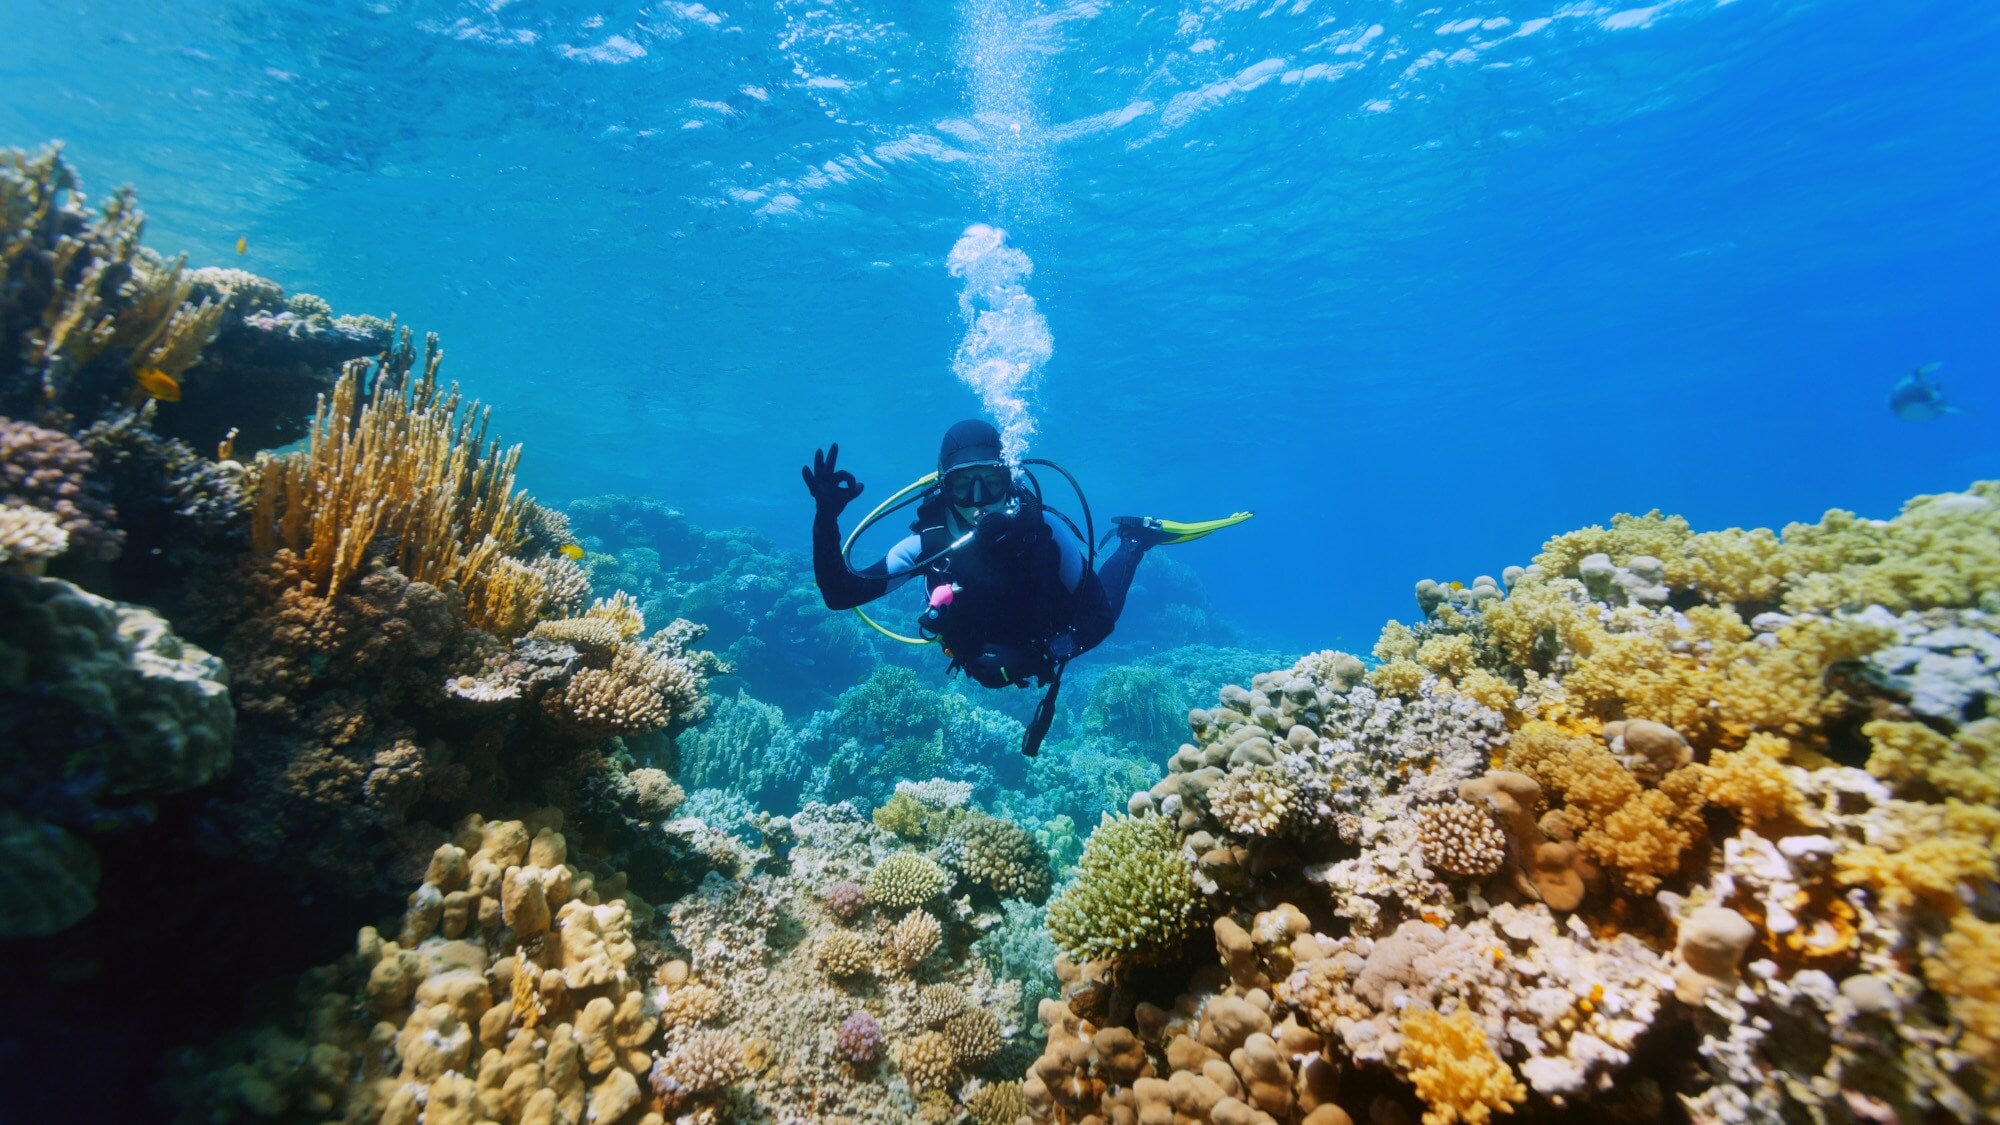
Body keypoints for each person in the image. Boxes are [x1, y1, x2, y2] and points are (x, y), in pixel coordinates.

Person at [802, 419, 1248, 756]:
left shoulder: (1045, 532)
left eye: (990, 482)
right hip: (983, 651)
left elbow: (1097, 619)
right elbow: (841, 594)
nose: (979, 499)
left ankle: (1135, 540)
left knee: (1109, 602)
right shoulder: (929, 546)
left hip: (1051, 629)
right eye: (964, 484)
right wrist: (826, 517)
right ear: (944, 486)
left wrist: (1041, 655)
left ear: (1008, 479)